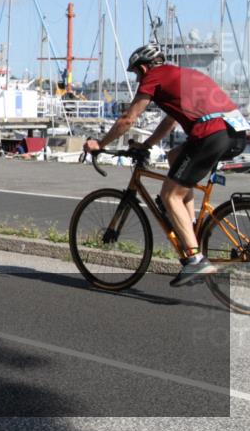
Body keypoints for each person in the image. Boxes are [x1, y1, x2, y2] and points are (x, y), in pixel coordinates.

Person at [83, 44, 248, 287]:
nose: (138, 79)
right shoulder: (180, 75)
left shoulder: (154, 77)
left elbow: (128, 119)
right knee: (174, 157)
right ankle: (189, 226)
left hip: (211, 134)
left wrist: (100, 143)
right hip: (236, 133)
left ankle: (195, 259)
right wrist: (147, 144)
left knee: (169, 194)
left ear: (143, 67)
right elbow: (170, 122)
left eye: (136, 74)